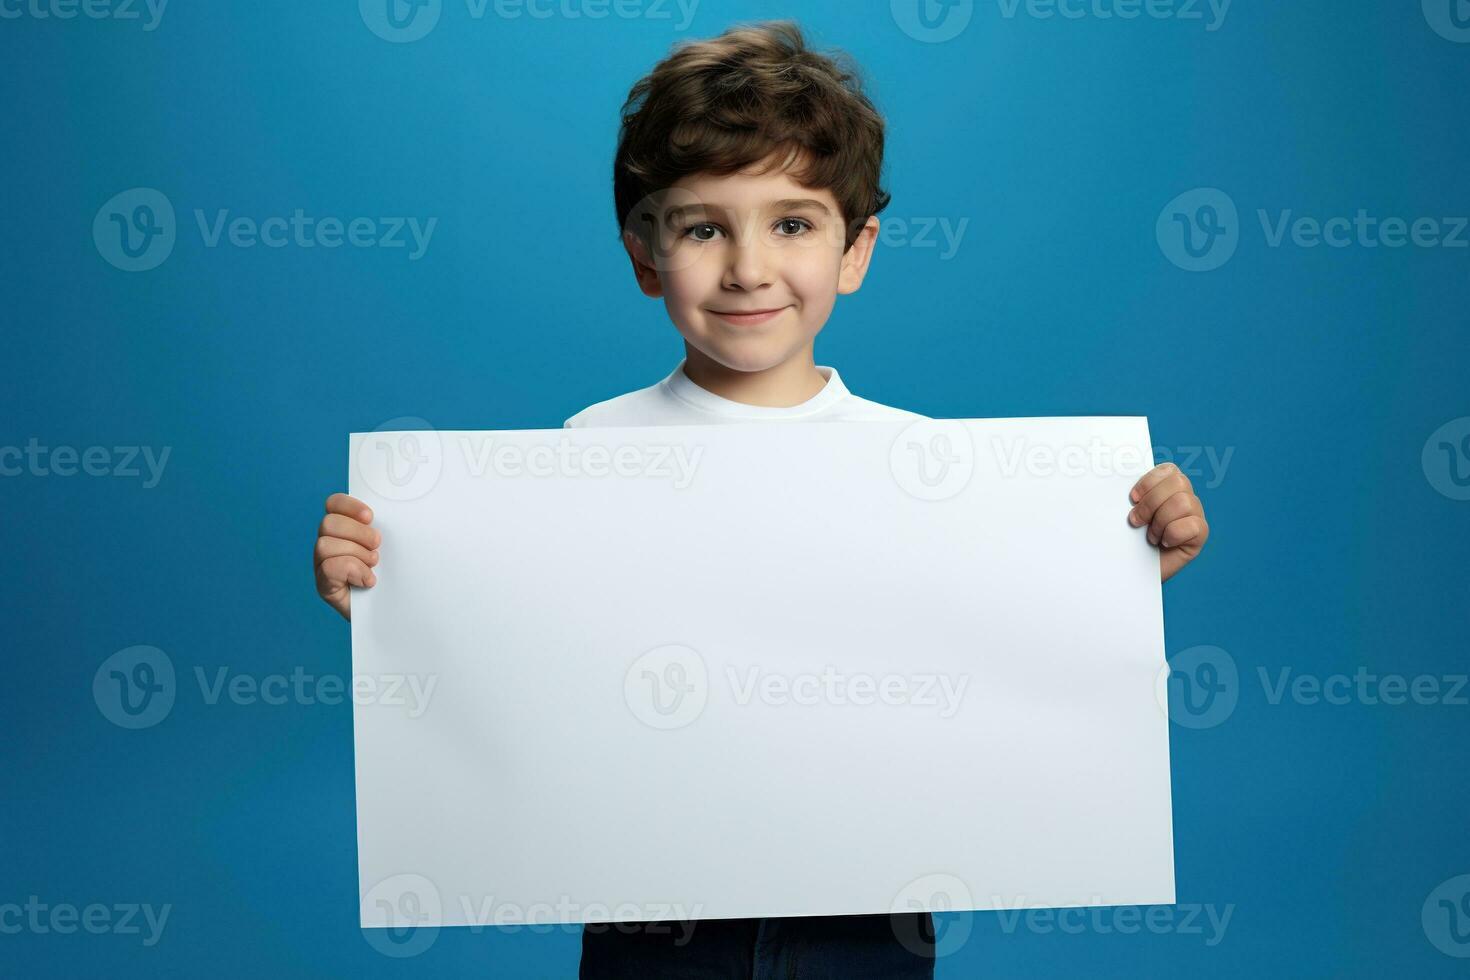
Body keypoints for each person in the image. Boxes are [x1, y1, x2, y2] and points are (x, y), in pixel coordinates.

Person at [313, 20, 1210, 978]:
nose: (748, 267)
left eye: (792, 223)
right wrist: (385, 588)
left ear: (855, 251)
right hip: (648, 913)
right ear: (644, 255)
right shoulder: (585, 456)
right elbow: (519, 661)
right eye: (704, 227)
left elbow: (998, 649)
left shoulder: (923, 467)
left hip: (865, 912)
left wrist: (1120, 560)